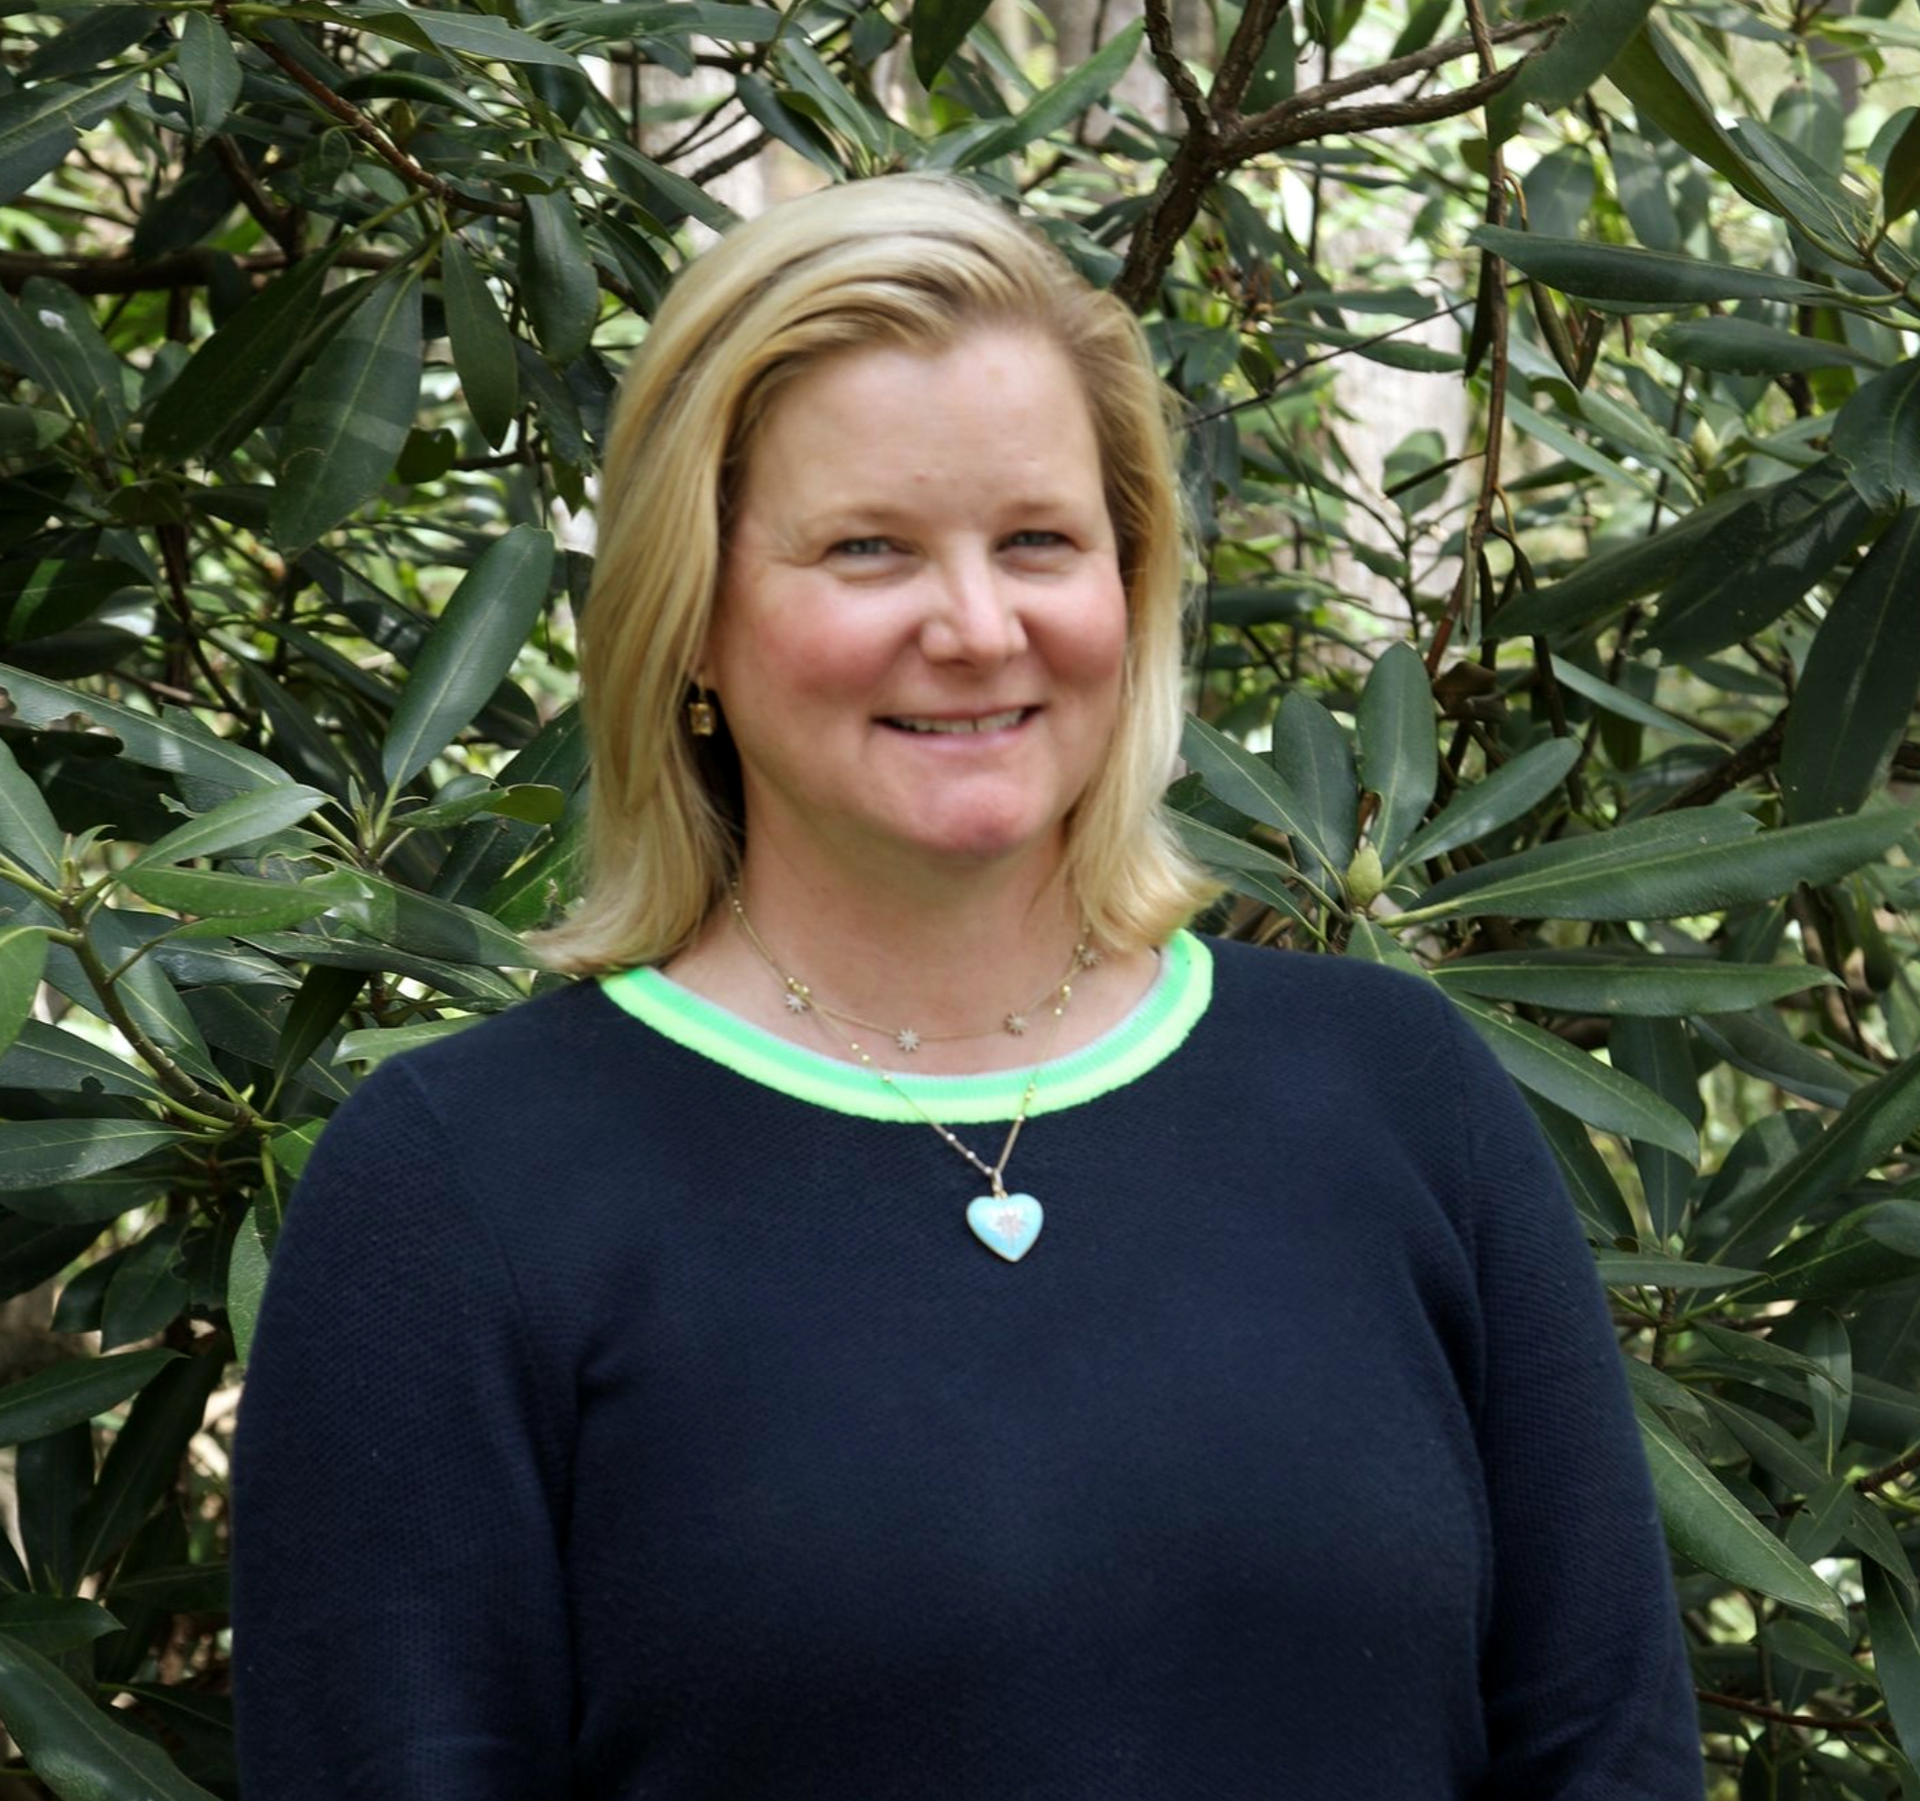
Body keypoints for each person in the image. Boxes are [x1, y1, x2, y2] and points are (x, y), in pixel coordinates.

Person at [231, 174, 1703, 1797]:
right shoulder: (460, 1190)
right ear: (691, 616)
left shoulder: (1399, 1094)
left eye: (1038, 542)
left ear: (1131, 584)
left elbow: (1608, 1752)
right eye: (868, 549)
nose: (978, 626)